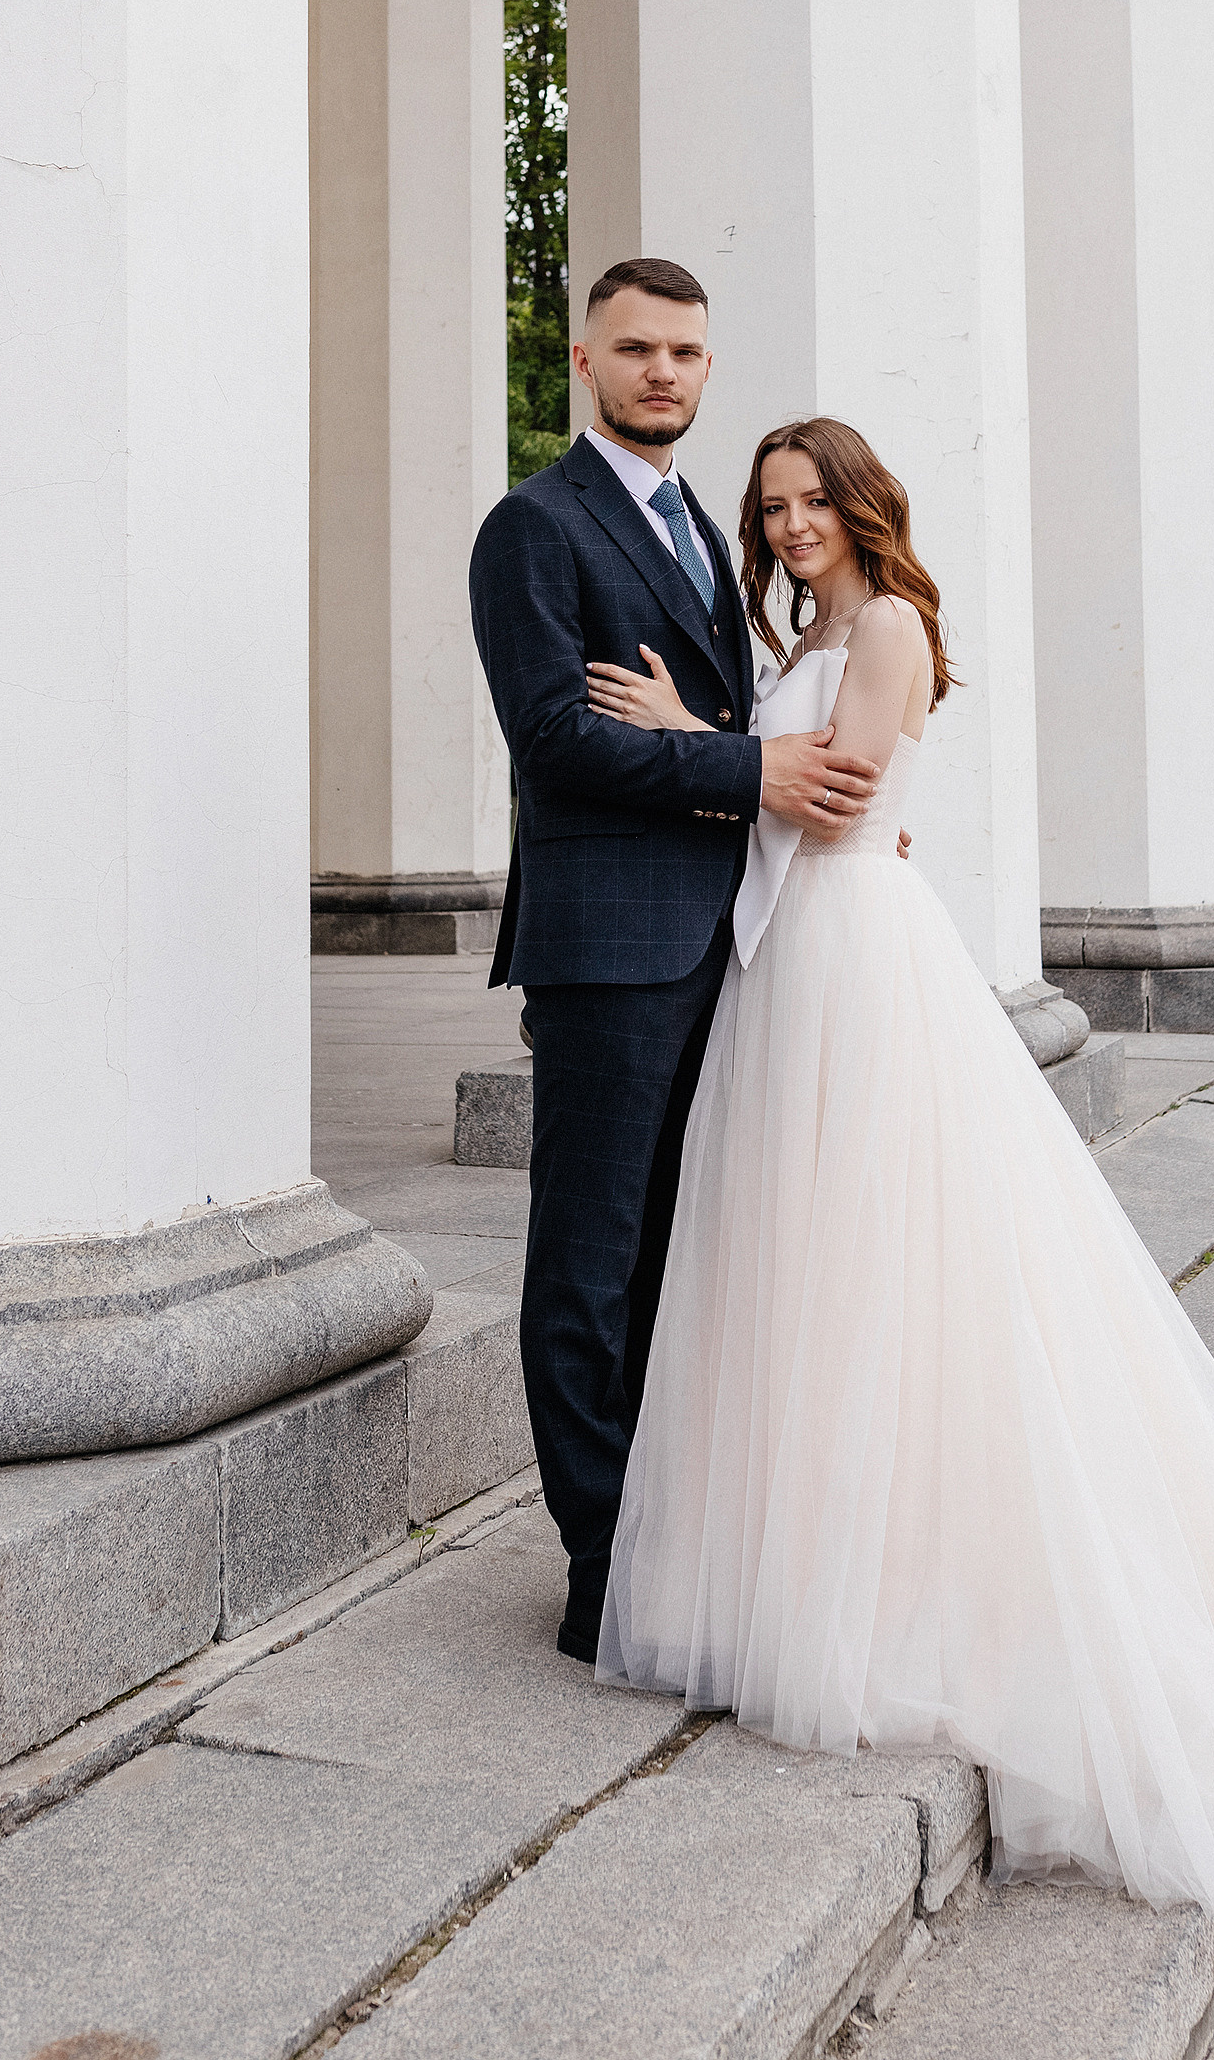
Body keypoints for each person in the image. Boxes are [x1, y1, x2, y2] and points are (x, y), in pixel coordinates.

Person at [583, 416, 1214, 1945]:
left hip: (851, 956)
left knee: (878, 1257)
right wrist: (731, 741)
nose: (793, 526)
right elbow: (812, 783)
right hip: (796, 959)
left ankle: (891, 1583)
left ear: (868, 506)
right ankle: (812, 1561)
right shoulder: (817, 628)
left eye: (815, 502)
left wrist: (681, 740)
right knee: (806, 1266)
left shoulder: (892, 625)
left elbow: (842, 803)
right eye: (773, 507)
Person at [468, 264, 888, 1665]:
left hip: (730, 941)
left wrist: (749, 759)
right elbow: (556, 743)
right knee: (588, 1266)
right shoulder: (535, 527)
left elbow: (736, 716)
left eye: (688, 353)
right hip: (607, 950)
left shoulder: (710, 529)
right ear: (584, 357)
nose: (664, 373)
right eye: (637, 349)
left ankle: (673, 1544)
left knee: (678, 1258)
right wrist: (748, 764)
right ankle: (602, 1572)